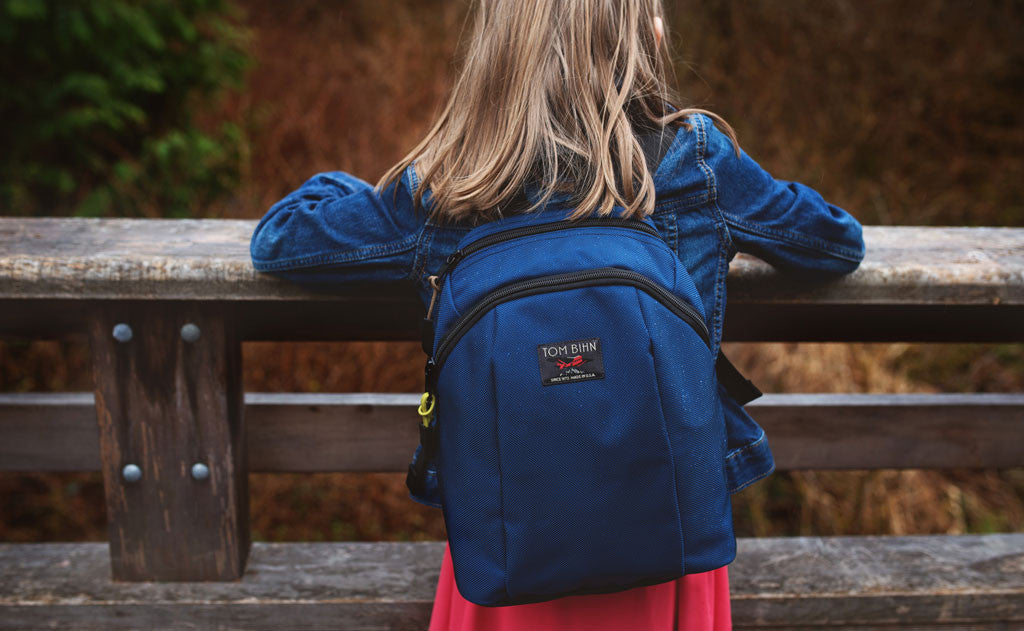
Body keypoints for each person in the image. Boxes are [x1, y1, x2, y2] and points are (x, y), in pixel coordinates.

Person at [249, 0, 865, 628]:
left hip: (512, 536)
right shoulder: (695, 160)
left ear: (497, 48)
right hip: (668, 528)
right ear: (631, 38)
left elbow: (280, 241)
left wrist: (341, 187)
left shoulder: (452, 182)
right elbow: (834, 242)